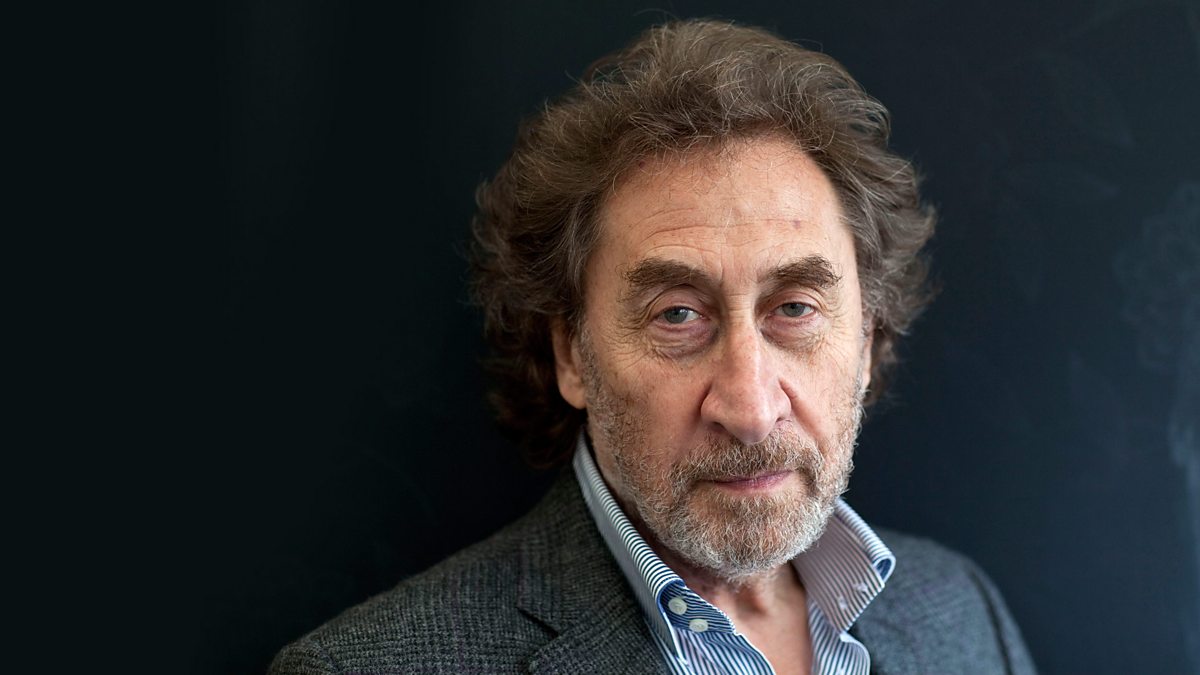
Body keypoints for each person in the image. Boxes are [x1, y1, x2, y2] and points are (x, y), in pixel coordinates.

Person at [270, 19, 1035, 674]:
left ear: (866, 340)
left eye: (795, 307)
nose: (749, 409)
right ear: (571, 354)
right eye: (677, 315)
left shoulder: (962, 610)